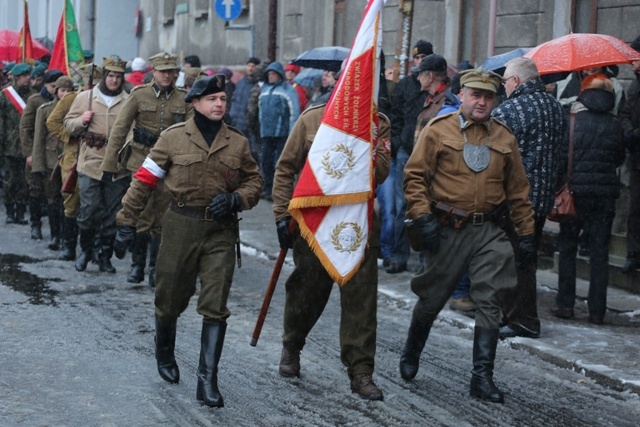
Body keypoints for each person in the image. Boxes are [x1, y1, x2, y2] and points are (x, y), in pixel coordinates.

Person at [113, 75, 263, 408]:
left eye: (223, 98)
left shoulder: (237, 142)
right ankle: (164, 353)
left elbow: (255, 182)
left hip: (221, 232)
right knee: (169, 299)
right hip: (180, 226)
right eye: (212, 99)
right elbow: (143, 181)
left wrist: (237, 199)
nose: (219, 104)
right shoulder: (172, 139)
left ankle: (207, 381)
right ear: (195, 103)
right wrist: (126, 222)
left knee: (215, 304)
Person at [399, 69, 535, 404]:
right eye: (476, 95)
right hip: (446, 230)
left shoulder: (504, 137)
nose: (482, 102)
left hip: (488, 231)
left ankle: (481, 377)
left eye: (488, 97)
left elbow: (518, 191)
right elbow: (414, 177)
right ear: (462, 95)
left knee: (490, 300)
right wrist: (423, 216)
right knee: (431, 299)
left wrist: (528, 233)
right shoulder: (438, 130)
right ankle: (412, 352)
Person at [272, 104, 391, 401]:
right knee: (307, 291)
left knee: (361, 299)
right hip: (315, 222)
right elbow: (286, 166)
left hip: (357, 223)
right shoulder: (312, 118)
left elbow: (384, 172)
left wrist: (371, 142)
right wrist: (280, 214)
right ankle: (292, 345)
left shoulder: (378, 121)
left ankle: (361, 371)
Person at [101, 52, 193, 287]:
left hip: (170, 166)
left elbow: (192, 133)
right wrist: (110, 164)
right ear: (154, 71)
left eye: (171, 71)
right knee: (141, 213)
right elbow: (120, 129)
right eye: (163, 71)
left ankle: (155, 267)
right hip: (142, 160)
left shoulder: (184, 99)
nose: (167, 75)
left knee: (162, 216)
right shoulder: (139, 95)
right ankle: (137, 265)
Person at [492, 57, 566, 339]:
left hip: (514, 200)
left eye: (505, 82)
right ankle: (513, 316)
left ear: (516, 81)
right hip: (542, 199)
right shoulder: (556, 108)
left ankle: (521, 320)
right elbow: (561, 155)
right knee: (526, 257)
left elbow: (496, 157)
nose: (504, 87)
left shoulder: (510, 110)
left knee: (512, 260)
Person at [553, 74, 626, 324]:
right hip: (605, 196)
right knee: (599, 253)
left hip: (575, 193)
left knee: (568, 248)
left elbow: (562, 156)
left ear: (584, 92)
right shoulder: (615, 123)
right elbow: (618, 158)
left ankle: (565, 304)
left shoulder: (572, 120)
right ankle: (597, 311)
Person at [64, 56, 130, 274]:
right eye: (110, 75)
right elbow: (68, 124)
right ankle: (85, 252)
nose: (114, 80)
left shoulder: (128, 100)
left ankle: (104, 257)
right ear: (104, 76)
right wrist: (81, 120)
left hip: (116, 166)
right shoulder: (86, 97)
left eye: (118, 76)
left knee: (112, 214)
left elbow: (132, 129)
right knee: (89, 210)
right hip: (90, 163)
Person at [386, 40, 432, 273]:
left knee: (426, 205)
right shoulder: (405, 85)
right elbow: (395, 116)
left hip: (428, 153)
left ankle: (425, 259)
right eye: (417, 57)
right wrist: (397, 142)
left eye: (424, 56)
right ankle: (398, 256)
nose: (420, 60)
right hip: (405, 150)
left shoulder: (435, 88)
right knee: (401, 206)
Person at [20, 69, 64, 239]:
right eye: (53, 86)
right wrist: (29, 153)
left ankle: (57, 232)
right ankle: (35, 225)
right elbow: (26, 128)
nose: (56, 89)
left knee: (56, 194)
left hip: (55, 155)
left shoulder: (65, 102)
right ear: (46, 85)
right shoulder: (36, 101)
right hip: (36, 152)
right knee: (35, 190)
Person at [31, 76, 75, 249]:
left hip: (69, 160)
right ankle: (55, 235)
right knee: (53, 200)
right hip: (50, 161)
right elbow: (38, 140)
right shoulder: (45, 110)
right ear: (56, 91)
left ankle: (67, 237)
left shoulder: (76, 109)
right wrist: (38, 165)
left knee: (69, 201)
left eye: (68, 91)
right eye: (62, 90)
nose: (65, 94)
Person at [257, 61, 300, 201]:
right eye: (269, 74)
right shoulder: (264, 90)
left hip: (282, 134)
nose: (271, 77)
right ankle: (268, 189)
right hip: (266, 133)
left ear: (279, 75)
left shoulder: (288, 90)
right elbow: (260, 111)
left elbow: (294, 112)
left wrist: (292, 133)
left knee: (280, 163)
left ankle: (279, 191)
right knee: (266, 162)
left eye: (273, 74)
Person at [1, 62, 37, 224]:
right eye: (24, 76)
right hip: (9, 145)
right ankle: (10, 211)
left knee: (24, 181)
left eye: (28, 75)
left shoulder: (33, 96)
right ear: (15, 78)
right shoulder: (4, 95)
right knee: (9, 180)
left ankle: (21, 212)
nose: (28, 78)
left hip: (27, 146)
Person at [620, 35, 640, 274]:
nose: (631, 62)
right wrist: (628, 132)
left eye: (635, 57)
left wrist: (635, 133)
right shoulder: (634, 84)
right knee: (635, 209)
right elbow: (625, 112)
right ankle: (634, 254)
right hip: (635, 157)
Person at [229, 57, 261, 162]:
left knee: (252, 154)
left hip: (251, 126)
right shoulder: (241, 83)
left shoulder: (258, 85)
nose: (250, 68)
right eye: (249, 66)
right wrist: (232, 117)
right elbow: (234, 100)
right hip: (238, 124)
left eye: (253, 66)